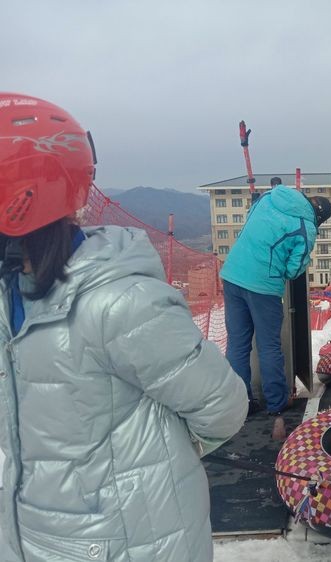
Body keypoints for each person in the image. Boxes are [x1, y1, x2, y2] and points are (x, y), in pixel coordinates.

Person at [0, 93, 248, 562]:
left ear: (20, 204)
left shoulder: (119, 304)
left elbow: (222, 405)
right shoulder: (11, 292)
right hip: (30, 534)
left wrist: (157, 461)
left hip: (126, 543)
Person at [221, 181, 331, 416]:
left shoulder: (269, 198)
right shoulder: (305, 226)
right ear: (319, 217)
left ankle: (241, 403)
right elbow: (293, 270)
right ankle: (276, 403)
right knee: (269, 346)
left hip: (232, 275)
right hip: (263, 287)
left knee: (237, 344)